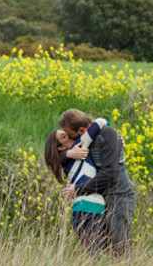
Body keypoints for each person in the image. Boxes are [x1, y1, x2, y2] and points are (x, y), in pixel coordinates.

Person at [57, 109, 136, 256]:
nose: (69, 138)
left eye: (70, 135)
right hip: (99, 199)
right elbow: (55, 155)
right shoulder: (85, 141)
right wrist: (68, 154)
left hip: (119, 196)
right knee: (101, 248)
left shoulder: (108, 135)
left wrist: (79, 189)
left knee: (120, 247)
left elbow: (109, 174)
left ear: (81, 130)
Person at [44, 119, 107, 251]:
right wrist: (112, 136)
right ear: (61, 147)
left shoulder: (67, 159)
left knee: (92, 253)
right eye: (64, 135)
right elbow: (101, 121)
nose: (69, 135)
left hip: (85, 208)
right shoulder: (79, 146)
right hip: (88, 208)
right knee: (94, 255)